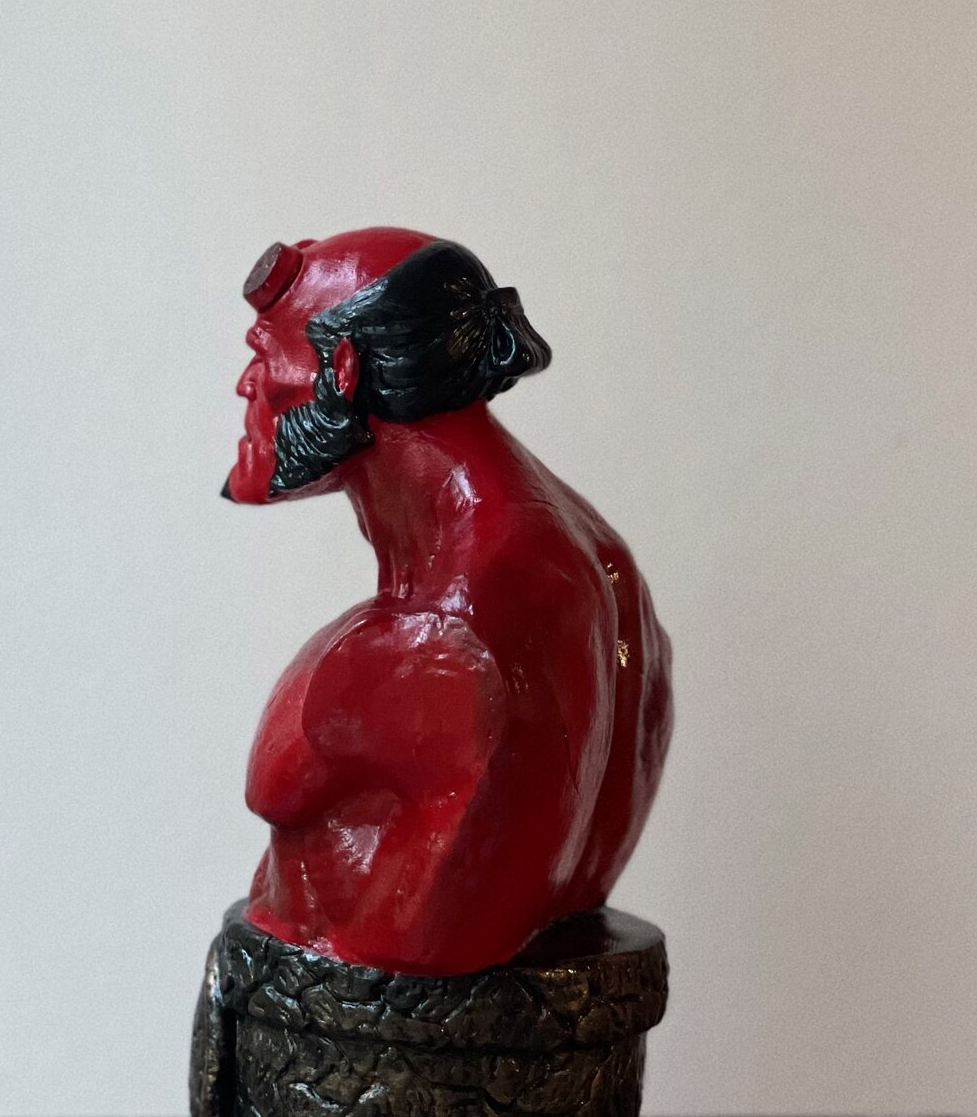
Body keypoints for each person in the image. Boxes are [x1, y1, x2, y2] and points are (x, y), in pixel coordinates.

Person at [225, 225, 672, 975]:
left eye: (264, 357)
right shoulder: (595, 557)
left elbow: (275, 780)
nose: (247, 386)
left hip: (380, 1015)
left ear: (344, 370)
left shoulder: (435, 627)